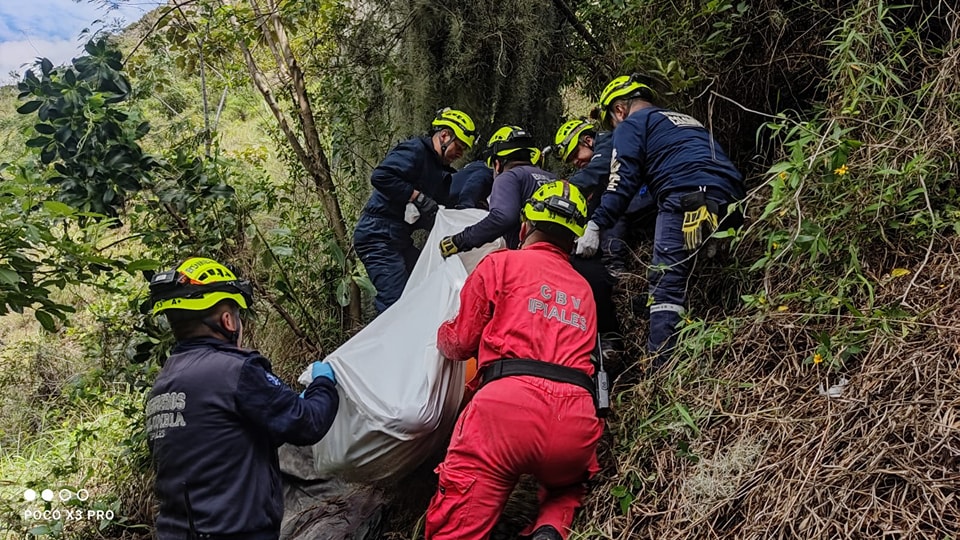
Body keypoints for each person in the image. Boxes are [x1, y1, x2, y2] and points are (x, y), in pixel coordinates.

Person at [426, 181, 604, 540]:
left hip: (503, 413)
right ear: (573, 241)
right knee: (569, 487)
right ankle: (550, 527)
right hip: (575, 420)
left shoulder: (501, 264)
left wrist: (439, 337)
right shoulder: (584, 290)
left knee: (458, 521)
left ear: (524, 226)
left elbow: (461, 342)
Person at [144, 257, 340, 540]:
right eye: (237, 314)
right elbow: (308, 422)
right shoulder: (234, 371)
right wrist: (323, 383)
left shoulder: (163, 383)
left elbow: (218, 443)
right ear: (227, 320)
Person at [576, 74, 745, 368]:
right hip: (730, 197)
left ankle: (661, 368)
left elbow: (621, 181)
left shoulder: (631, 125)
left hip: (685, 196)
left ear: (619, 109)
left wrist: (596, 224)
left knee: (666, 282)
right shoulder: (684, 120)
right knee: (699, 270)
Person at [354, 107, 477, 313]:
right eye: (459, 146)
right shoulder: (416, 150)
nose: (460, 153)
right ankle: (387, 333)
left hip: (400, 238)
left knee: (427, 284)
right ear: (445, 135)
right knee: (395, 304)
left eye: (464, 149)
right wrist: (417, 197)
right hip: (376, 235)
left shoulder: (440, 171)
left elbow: (435, 212)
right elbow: (381, 176)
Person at [553, 119, 656, 274]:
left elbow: (593, 173)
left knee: (611, 217)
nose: (575, 162)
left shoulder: (610, 142)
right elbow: (597, 197)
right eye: (571, 160)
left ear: (588, 140)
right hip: (640, 197)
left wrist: (563, 190)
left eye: (575, 154)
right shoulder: (602, 158)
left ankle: (616, 272)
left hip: (648, 192)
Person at [438, 125, 550, 254]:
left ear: (497, 164)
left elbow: (502, 218)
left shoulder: (509, 177)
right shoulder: (553, 179)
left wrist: (459, 240)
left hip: (530, 254)